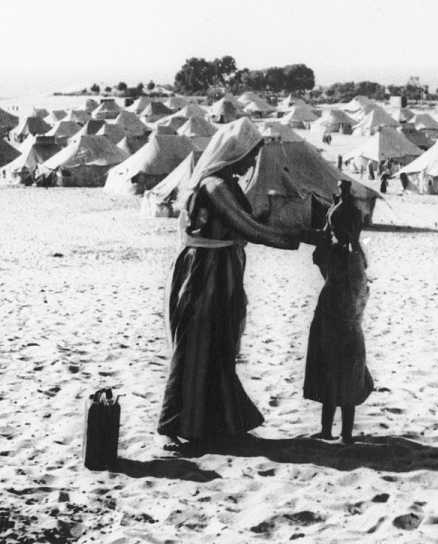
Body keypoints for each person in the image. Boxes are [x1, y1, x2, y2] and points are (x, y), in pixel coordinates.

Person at [158, 119, 305, 452]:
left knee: (219, 348)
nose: (253, 161)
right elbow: (247, 227)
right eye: (251, 154)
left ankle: (219, 423)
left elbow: (247, 222)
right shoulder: (215, 186)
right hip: (205, 274)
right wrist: (293, 240)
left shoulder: (224, 183)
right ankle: (175, 426)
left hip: (221, 271)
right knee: (195, 346)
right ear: (236, 152)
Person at [304, 180, 373, 444]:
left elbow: (318, 259)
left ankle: (326, 430)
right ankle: (345, 434)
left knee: (328, 369)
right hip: (351, 320)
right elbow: (362, 291)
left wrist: (326, 228)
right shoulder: (358, 257)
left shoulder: (333, 253)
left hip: (330, 313)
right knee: (348, 373)